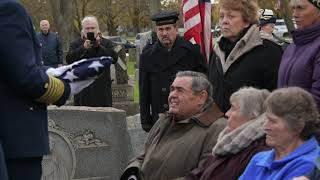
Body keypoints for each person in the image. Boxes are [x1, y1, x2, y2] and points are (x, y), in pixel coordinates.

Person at [0, 1, 94, 179]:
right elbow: (24, 76)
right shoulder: (8, 9)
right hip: (17, 139)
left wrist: (51, 72)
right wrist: (65, 87)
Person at [120, 71, 226, 180]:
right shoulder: (165, 120)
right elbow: (143, 156)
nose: (172, 95)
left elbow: (206, 175)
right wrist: (132, 173)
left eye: (180, 90)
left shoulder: (217, 128)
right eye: (172, 89)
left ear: (201, 97)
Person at [208, 0, 282, 114]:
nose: (224, 21)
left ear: (247, 21)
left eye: (231, 16)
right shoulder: (217, 51)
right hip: (218, 127)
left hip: (253, 126)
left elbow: (276, 97)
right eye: (222, 16)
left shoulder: (268, 50)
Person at [139, 11, 208, 132]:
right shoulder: (147, 55)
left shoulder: (191, 52)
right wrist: (145, 120)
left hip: (187, 117)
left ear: (176, 29)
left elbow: (204, 85)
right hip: (160, 118)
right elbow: (144, 90)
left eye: (168, 29)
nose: (164, 33)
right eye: (160, 29)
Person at [184, 87, 270, 180]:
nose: (227, 113)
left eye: (233, 108)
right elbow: (198, 174)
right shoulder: (227, 142)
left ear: (252, 115)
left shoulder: (259, 151)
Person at [240, 87, 320, 180]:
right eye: (266, 119)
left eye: (272, 121)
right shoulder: (259, 159)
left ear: (298, 127)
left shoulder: (311, 165)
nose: (265, 126)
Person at [66, 15, 118, 107]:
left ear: (98, 30)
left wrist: (99, 46)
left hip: (102, 89)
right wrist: (83, 48)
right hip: (82, 90)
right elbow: (69, 59)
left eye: (92, 28)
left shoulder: (106, 43)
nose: (90, 31)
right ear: (83, 31)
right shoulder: (75, 44)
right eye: (87, 28)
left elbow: (114, 58)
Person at [277, 0, 320, 111]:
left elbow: (317, 99)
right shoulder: (293, 46)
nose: (295, 14)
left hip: (305, 124)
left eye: (301, 8)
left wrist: (287, 122)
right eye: (293, 8)